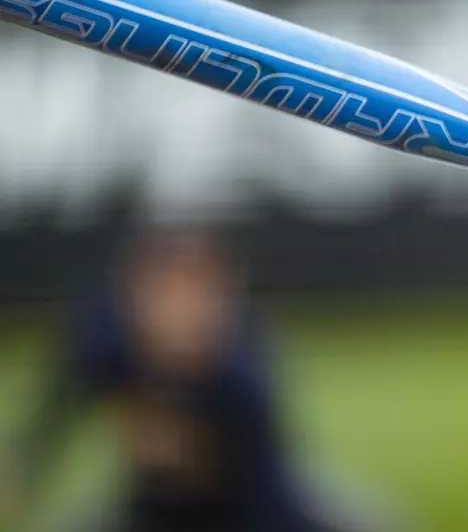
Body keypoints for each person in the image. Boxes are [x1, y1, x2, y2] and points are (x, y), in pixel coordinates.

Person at [2, 228, 354, 532]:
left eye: (198, 293)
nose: (181, 311)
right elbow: (56, 410)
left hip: (249, 508)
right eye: (165, 291)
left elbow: (268, 494)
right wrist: (25, 469)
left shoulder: (242, 376)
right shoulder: (104, 341)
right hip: (150, 507)